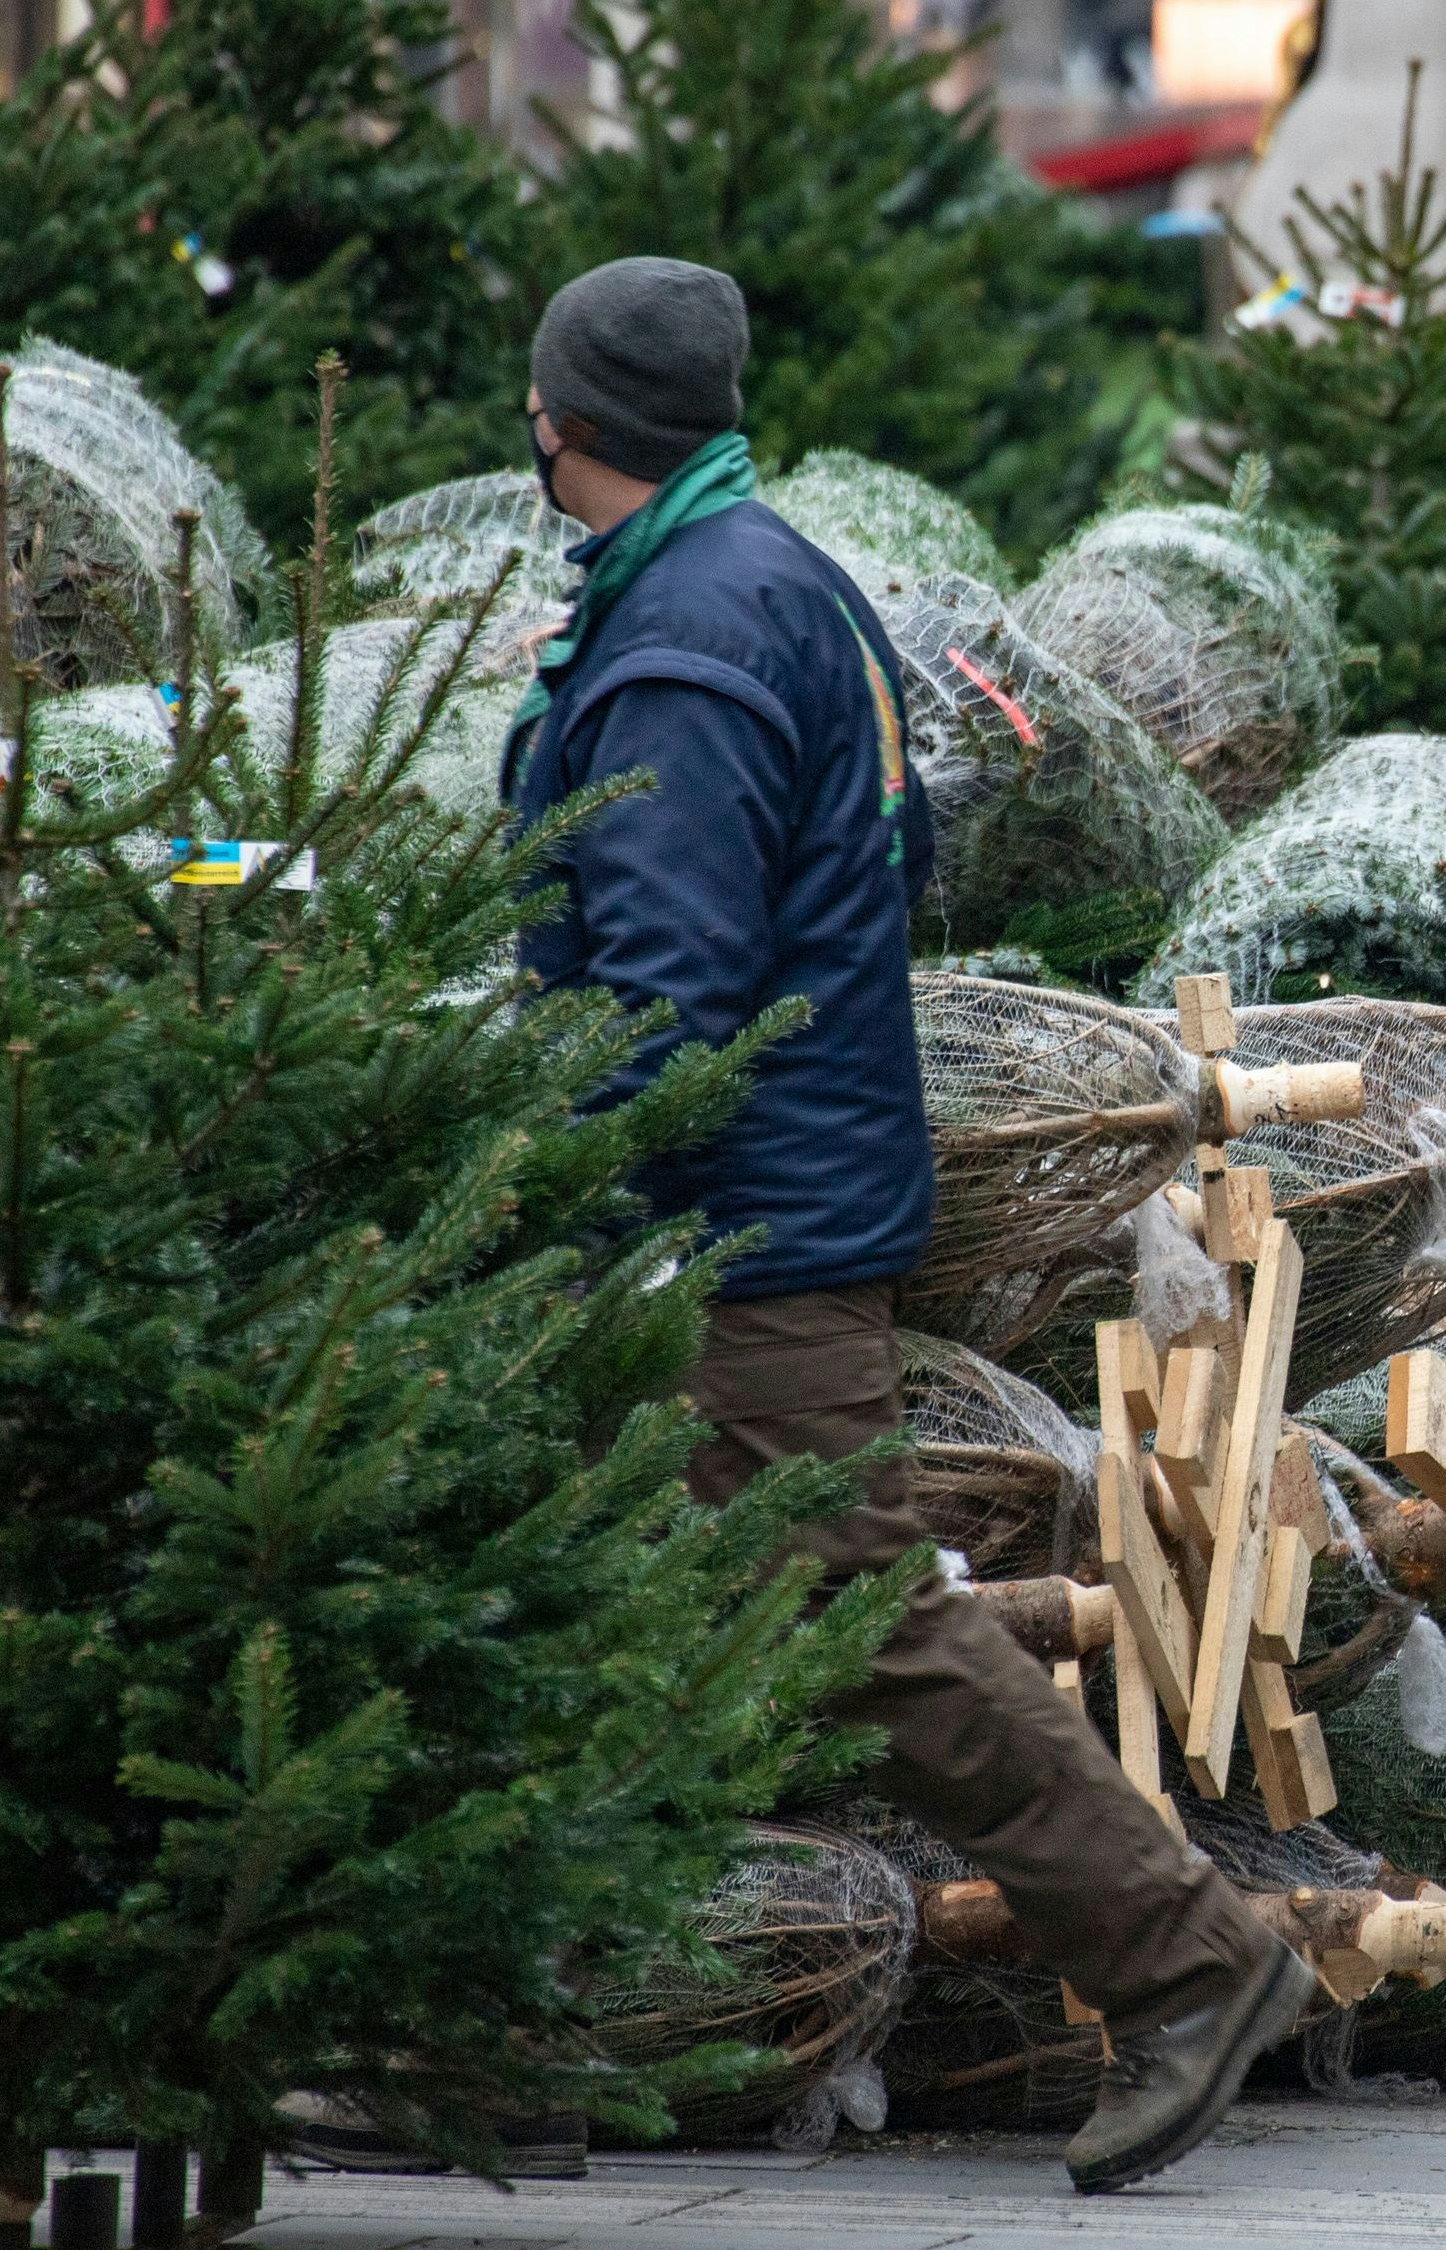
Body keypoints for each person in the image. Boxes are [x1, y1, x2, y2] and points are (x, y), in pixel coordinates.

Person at [313, 256, 1310, 2195]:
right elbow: (890, 854)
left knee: (864, 1619)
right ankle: (507, 2045)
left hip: (730, 1234)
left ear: (561, 423)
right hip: (768, 1199)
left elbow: (666, 995)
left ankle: (1189, 1960)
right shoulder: (779, 581)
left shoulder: (684, 637)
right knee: (570, 1600)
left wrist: (517, 1162)